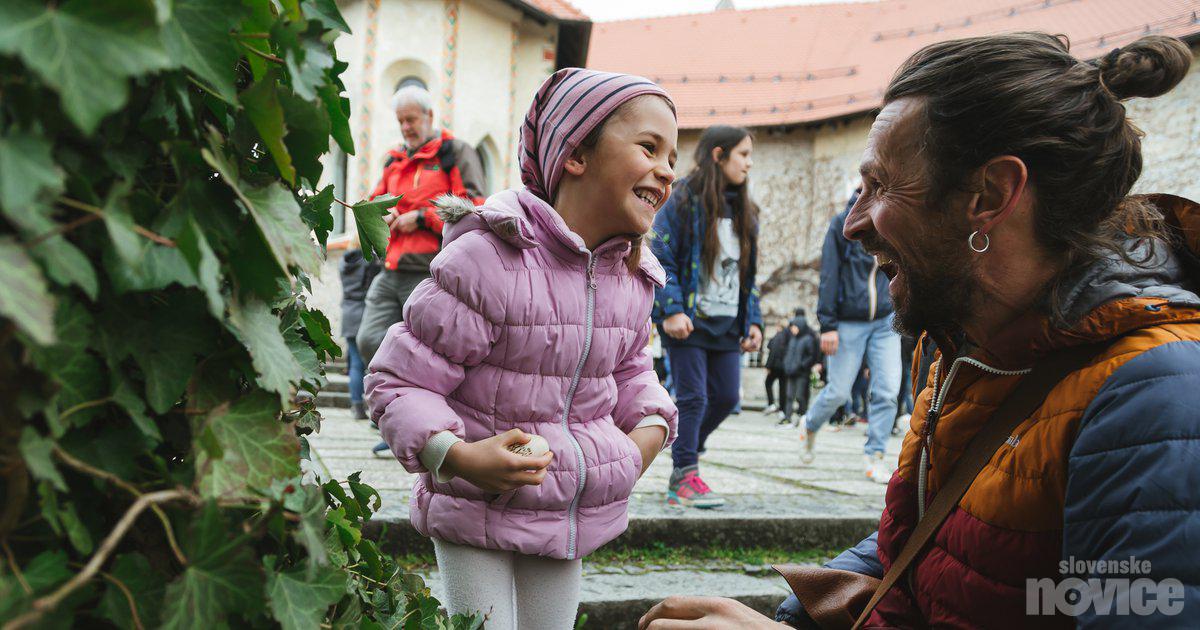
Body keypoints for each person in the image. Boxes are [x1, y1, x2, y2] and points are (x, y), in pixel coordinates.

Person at [640, 33, 1200, 629]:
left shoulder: (1154, 401)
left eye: (880, 187)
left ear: (990, 195)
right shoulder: (966, 346)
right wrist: (792, 617)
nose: (853, 225)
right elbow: (930, 550)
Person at [365, 68, 680, 630]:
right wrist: (457, 457)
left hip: (562, 509)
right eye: (649, 147)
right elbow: (398, 380)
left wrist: (646, 437)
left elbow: (632, 372)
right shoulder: (490, 259)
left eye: (672, 158)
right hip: (475, 504)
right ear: (576, 156)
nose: (666, 170)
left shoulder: (630, 277)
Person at [356, 84, 486, 456]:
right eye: (401, 121)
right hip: (392, 266)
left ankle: (416, 426)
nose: (406, 127)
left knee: (425, 356)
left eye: (412, 119)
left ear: (429, 116)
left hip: (431, 271)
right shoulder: (393, 158)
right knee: (369, 339)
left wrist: (423, 217)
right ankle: (396, 413)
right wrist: (385, 211)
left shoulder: (454, 151)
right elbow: (376, 199)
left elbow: (474, 203)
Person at [650, 125, 764, 510]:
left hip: (727, 324)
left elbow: (749, 272)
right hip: (688, 322)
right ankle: (684, 476)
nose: (749, 163)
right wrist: (672, 308)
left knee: (727, 396)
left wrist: (754, 320)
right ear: (718, 155)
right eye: (743, 155)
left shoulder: (746, 210)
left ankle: (686, 452)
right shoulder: (681, 199)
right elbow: (659, 256)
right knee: (694, 398)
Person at [800, 188, 902, 484]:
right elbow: (829, 275)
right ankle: (809, 424)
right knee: (839, 392)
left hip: (885, 321)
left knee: (887, 390)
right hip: (848, 322)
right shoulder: (842, 224)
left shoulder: (894, 220)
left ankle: (875, 455)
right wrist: (828, 325)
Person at [338, 246, 381, 419]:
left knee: (354, 362)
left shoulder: (343, 263)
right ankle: (373, 407)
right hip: (365, 312)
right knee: (369, 364)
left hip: (348, 313)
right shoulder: (369, 262)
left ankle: (356, 406)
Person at [779, 309, 819, 427]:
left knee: (801, 396)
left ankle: (802, 417)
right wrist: (787, 365)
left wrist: (801, 365)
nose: (792, 329)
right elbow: (788, 354)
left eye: (794, 327)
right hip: (791, 372)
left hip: (801, 373)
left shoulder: (808, 339)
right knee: (789, 395)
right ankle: (787, 417)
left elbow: (810, 356)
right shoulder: (793, 339)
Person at [763, 318, 791, 415]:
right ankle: (782, 410)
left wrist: (768, 366)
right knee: (783, 388)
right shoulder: (789, 336)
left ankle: (771, 404)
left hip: (776, 366)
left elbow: (773, 352)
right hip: (785, 367)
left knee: (768, 383)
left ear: (779, 326)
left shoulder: (778, 336)